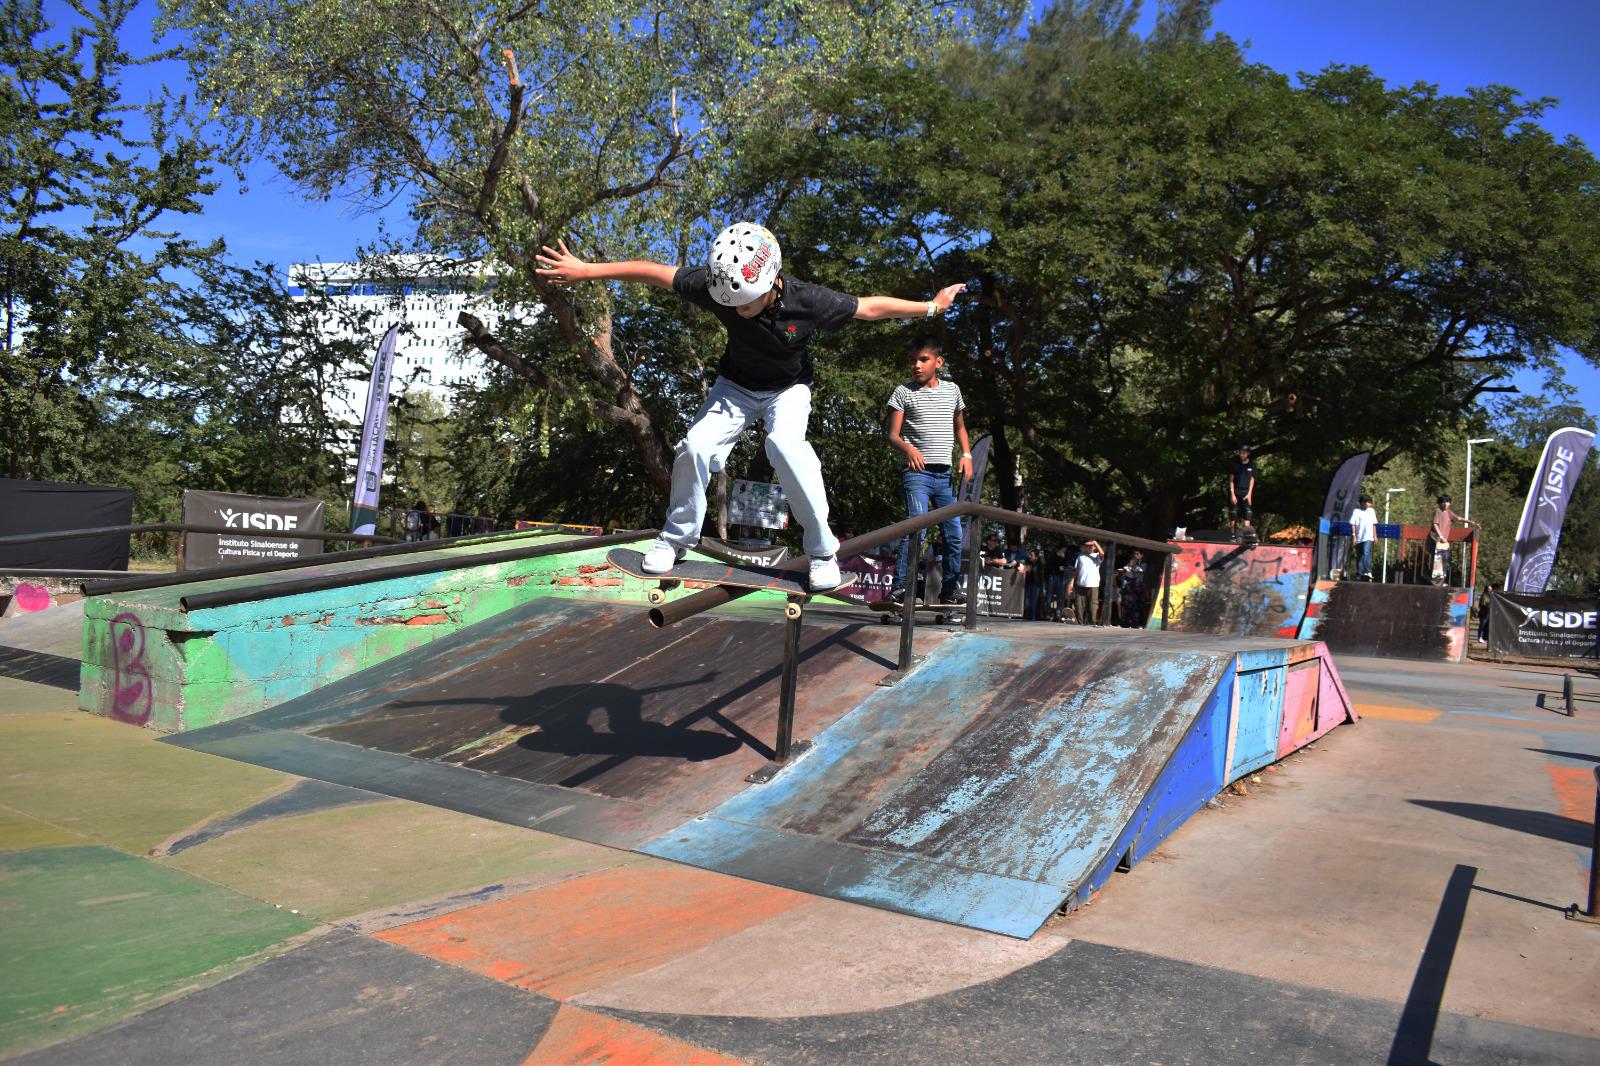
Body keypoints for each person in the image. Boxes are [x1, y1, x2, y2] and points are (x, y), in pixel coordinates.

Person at [536, 225, 966, 589]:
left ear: (773, 282)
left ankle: (821, 551)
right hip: (735, 387)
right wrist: (587, 270)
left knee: (784, 446)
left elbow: (870, 307)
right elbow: (653, 272)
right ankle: (676, 538)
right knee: (695, 447)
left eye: (747, 303)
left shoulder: (808, 300)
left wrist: (932, 307)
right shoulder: (716, 282)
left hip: (789, 390)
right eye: (732, 305)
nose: (738, 311)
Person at [885, 334, 972, 606]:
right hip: (917, 474)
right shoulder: (903, 392)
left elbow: (960, 427)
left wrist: (967, 454)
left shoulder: (952, 390)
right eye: (913, 361)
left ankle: (949, 590)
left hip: (943, 475)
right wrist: (909, 450)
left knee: (955, 533)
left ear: (938, 362)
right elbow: (892, 435)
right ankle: (900, 589)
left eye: (923, 360)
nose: (917, 366)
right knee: (917, 528)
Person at [1427, 495, 1474, 586]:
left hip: (1442, 542)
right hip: (1435, 540)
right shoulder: (1438, 511)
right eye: (1443, 502)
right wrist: (1440, 535)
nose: (1445, 504)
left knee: (1444, 559)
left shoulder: (1448, 512)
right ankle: (1435, 582)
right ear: (1440, 503)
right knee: (1438, 560)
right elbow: (1435, 524)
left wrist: (1470, 522)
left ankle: (1440, 582)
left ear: (1450, 503)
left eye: (1447, 502)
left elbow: (1458, 518)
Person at [1068, 539, 1104, 625]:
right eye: (1087, 546)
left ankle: (1092, 624)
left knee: (1092, 606)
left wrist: (1095, 542)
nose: (1088, 547)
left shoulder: (1096, 556)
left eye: (1090, 546)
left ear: (1094, 547)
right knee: (1079, 605)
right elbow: (1076, 571)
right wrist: (1071, 582)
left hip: (1093, 585)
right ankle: (1080, 624)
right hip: (1080, 584)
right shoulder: (1080, 556)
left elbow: (1102, 553)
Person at [1227, 445, 1258, 540]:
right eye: (1240, 452)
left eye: (1244, 453)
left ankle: (1246, 536)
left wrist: (1249, 494)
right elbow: (1231, 480)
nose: (1242, 454)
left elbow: (1252, 480)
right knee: (1233, 513)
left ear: (1248, 453)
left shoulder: (1252, 465)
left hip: (1246, 493)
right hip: (1236, 492)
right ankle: (1232, 536)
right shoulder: (1235, 465)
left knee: (1248, 513)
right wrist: (1232, 494)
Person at [1349, 494, 1378, 581]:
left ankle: (1368, 571)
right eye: (1368, 502)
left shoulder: (1371, 511)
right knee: (1360, 556)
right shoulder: (1356, 511)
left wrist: (1375, 536)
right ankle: (1359, 574)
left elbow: (1374, 524)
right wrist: (1354, 536)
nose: (1370, 504)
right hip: (1359, 537)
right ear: (1363, 503)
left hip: (1369, 536)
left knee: (1366, 552)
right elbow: (1353, 524)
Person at [1117, 549, 1147, 627]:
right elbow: (1125, 569)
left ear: (1141, 555)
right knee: (1126, 604)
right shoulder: (1130, 562)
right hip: (1128, 586)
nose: (1135, 555)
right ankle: (1126, 622)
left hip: (1138, 587)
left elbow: (1139, 571)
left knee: (1136, 605)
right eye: (1134, 554)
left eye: (1137, 554)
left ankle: (1136, 623)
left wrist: (1131, 568)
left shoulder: (1143, 564)